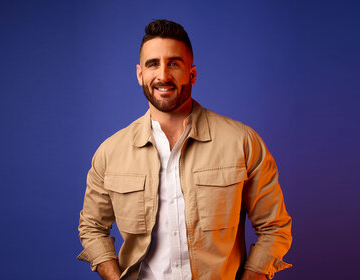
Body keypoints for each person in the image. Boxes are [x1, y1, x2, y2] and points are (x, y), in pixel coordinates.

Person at [77, 19, 292, 280]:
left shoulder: (242, 142)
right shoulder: (110, 153)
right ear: (139, 74)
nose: (163, 75)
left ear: (192, 73)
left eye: (174, 63)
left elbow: (275, 227)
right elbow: (92, 227)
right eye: (153, 64)